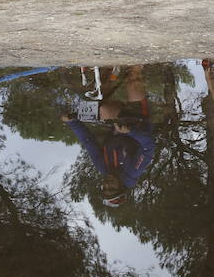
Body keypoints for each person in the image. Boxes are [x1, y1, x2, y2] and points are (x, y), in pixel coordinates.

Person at [61, 66, 155, 207]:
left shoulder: (102, 168)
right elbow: (149, 146)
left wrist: (72, 123)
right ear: (121, 187)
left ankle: (109, 71)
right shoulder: (133, 172)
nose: (107, 185)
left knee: (101, 108)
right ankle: (135, 67)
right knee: (134, 80)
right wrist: (130, 132)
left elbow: (89, 142)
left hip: (116, 122)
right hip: (138, 122)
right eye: (112, 188)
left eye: (104, 188)